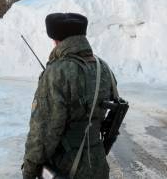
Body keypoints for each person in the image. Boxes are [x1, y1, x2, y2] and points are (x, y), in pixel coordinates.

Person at [22, 12, 114, 179]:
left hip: (66, 168)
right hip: (98, 165)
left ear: (56, 40)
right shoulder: (103, 68)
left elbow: (43, 132)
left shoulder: (57, 72)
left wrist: (29, 169)